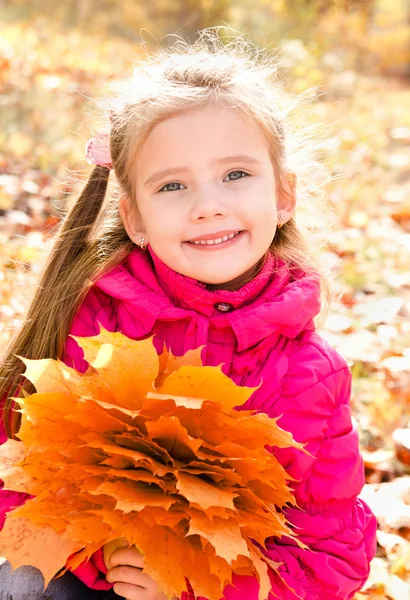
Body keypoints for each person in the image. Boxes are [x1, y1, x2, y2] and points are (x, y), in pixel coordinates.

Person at [0, 29, 377, 600]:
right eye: (172, 185)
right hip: (86, 575)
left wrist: (196, 584)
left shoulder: (310, 373)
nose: (208, 206)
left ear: (283, 195)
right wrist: (100, 557)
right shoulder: (91, 323)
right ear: (135, 218)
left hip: (221, 591)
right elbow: (19, 473)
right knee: (24, 579)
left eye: (235, 174)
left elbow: (334, 556)